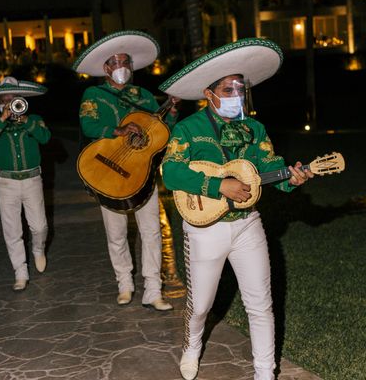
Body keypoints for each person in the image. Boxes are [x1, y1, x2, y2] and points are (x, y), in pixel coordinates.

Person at [159, 38, 314, 380]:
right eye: (227, 89)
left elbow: (271, 167)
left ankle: (264, 372)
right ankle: (192, 346)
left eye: (239, 89)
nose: (236, 96)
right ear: (208, 93)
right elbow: (170, 172)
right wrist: (217, 185)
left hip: (247, 224)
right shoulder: (188, 129)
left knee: (260, 304)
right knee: (200, 306)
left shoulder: (255, 129)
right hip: (204, 228)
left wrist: (292, 179)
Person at [72, 30, 178, 311]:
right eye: (116, 62)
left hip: (142, 173)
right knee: (116, 233)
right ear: (105, 67)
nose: (122, 67)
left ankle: (153, 289)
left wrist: (173, 110)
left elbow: (161, 132)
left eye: (127, 62)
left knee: (152, 231)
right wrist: (118, 130)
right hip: (108, 172)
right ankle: (124, 284)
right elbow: (88, 125)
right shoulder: (93, 94)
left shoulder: (143, 95)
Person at [0, 76, 51, 292]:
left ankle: (38, 248)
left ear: (22, 99)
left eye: (13, 98)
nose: (9, 103)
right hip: (6, 182)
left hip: (32, 179)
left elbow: (45, 138)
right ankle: (20, 271)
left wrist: (26, 121)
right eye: (5, 100)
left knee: (39, 226)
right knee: (12, 230)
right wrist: (2, 119)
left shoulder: (34, 119)